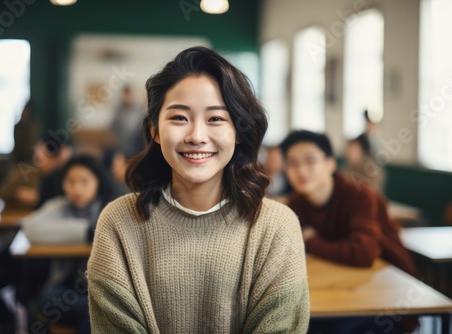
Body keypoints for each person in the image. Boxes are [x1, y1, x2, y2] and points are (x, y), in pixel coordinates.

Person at [87, 46, 310, 333]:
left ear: (238, 132)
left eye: (216, 118)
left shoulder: (277, 226)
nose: (196, 136)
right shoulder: (118, 222)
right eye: (179, 118)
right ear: (155, 129)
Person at [280, 130, 417, 334]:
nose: (301, 170)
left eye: (310, 161)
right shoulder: (296, 203)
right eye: (293, 163)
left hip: (388, 292)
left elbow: (364, 252)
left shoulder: (360, 196)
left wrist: (312, 241)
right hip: (337, 287)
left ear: (330, 163)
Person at [21, 155, 124, 334]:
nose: (77, 189)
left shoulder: (111, 207)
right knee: (79, 307)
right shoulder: (60, 206)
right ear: (62, 184)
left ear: (97, 181)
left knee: (93, 311)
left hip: (103, 287)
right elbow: (30, 227)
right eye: (70, 181)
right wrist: (86, 232)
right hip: (64, 287)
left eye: (84, 182)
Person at [110, 86, 147, 158]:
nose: (126, 98)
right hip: (121, 147)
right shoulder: (118, 111)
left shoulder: (139, 110)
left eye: (128, 95)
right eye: (124, 95)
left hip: (137, 146)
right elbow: (113, 128)